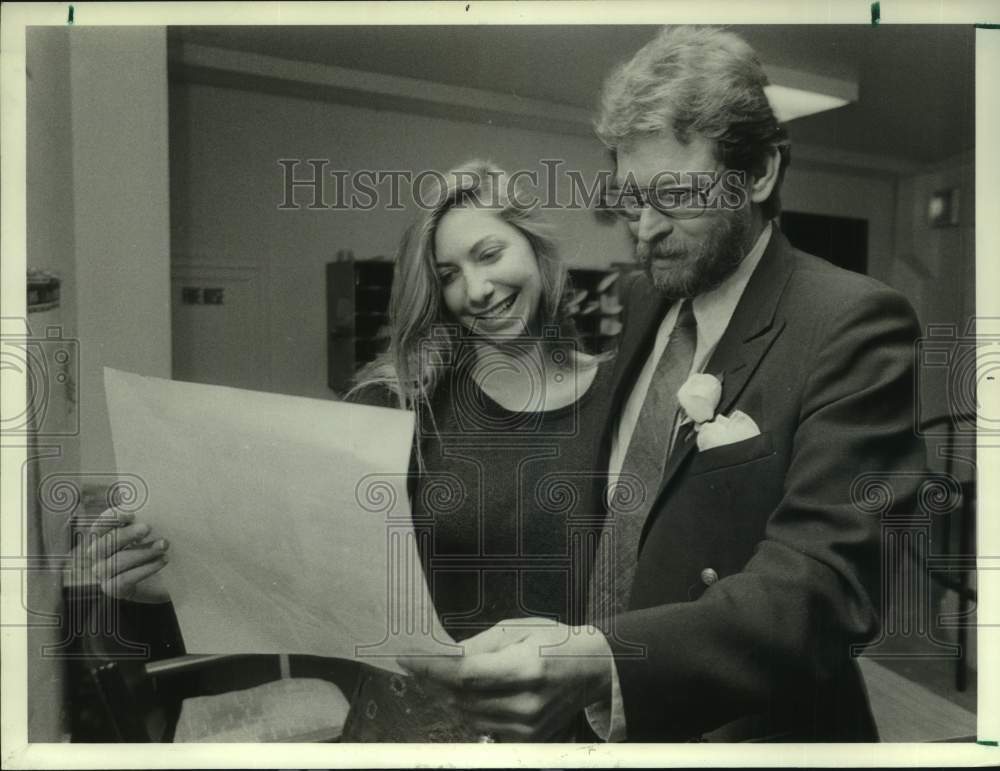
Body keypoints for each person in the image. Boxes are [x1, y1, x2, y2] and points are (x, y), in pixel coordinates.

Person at [400, 26, 926, 743]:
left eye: (674, 194)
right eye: (629, 200)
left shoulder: (853, 322)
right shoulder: (643, 298)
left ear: (759, 172)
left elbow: (825, 587)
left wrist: (605, 662)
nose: (644, 230)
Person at [74, 160, 615, 740]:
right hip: (412, 730)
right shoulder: (402, 400)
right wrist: (168, 578)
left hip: (574, 731)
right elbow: (296, 556)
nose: (476, 290)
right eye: (449, 275)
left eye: (489, 254)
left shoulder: (622, 392)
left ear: (537, 248)